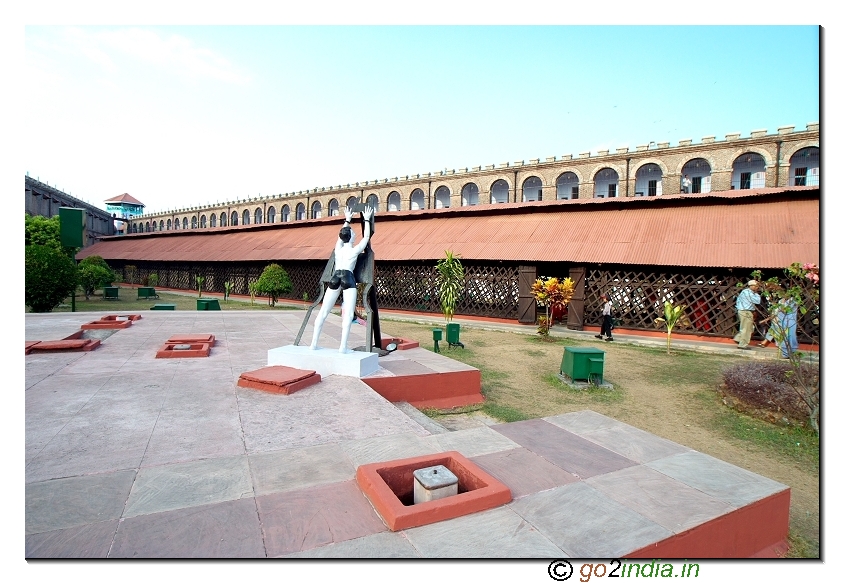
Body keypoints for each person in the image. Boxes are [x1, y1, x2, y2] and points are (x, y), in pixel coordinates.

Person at [310, 205, 374, 353]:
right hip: (347, 277)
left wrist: (347, 220)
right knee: (349, 314)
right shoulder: (354, 250)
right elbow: (366, 237)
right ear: (351, 237)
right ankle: (342, 347)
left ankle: (313, 344)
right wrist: (366, 219)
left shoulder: (338, 249)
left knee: (324, 311)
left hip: (335, 277)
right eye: (353, 233)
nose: (355, 234)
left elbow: (340, 237)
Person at [733, 279, 761, 350]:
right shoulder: (748, 293)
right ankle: (742, 344)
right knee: (746, 329)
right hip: (746, 311)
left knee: (749, 328)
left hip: (743, 310)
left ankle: (738, 338)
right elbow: (757, 301)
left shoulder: (745, 292)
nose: (757, 287)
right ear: (751, 286)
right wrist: (757, 294)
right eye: (756, 286)